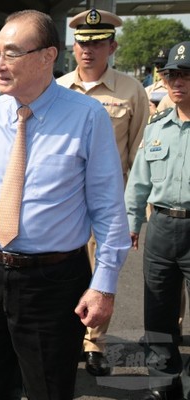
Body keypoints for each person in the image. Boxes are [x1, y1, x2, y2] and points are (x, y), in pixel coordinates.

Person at [0, 10, 131, 399]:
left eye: (11, 54)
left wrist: (104, 284)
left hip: (53, 281)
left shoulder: (87, 116)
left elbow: (108, 205)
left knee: (48, 389)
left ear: (48, 56)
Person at [57, 7, 149, 377]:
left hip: (107, 204)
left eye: (96, 43)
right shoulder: (58, 88)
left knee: (100, 274)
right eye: (82, 43)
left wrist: (137, 210)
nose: (88, 50)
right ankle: (65, 337)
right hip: (62, 203)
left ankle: (94, 343)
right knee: (60, 271)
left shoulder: (131, 90)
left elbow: (141, 151)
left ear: (111, 46)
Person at [125, 41, 190, 400]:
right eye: (171, 75)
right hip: (162, 227)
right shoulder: (157, 127)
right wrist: (132, 223)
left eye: (185, 75)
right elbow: (139, 182)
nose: (176, 82)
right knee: (158, 311)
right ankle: (162, 384)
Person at [146, 48, 170, 115]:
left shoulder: (180, 90)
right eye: (157, 65)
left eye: (163, 65)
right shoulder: (148, 90)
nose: (159, 69)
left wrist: (155, 114)